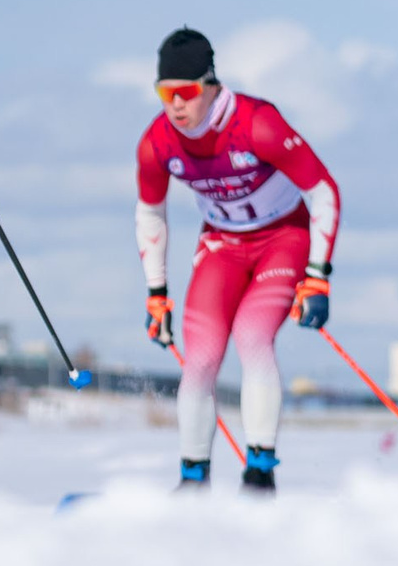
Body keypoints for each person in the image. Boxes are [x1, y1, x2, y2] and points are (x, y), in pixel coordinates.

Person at [133, 28, 339, 491]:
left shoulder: (257, 124)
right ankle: (193, 480)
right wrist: (156, 293)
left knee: (251, 335)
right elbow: (150, 212)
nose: (175, 105)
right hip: (222, 245)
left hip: (282, 239)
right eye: (165, 93)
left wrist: (317, 276)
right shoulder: (158, 142)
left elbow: (324, 191)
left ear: (210, 85)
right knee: (201, 357)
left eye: (186, 93)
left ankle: (260, 472)